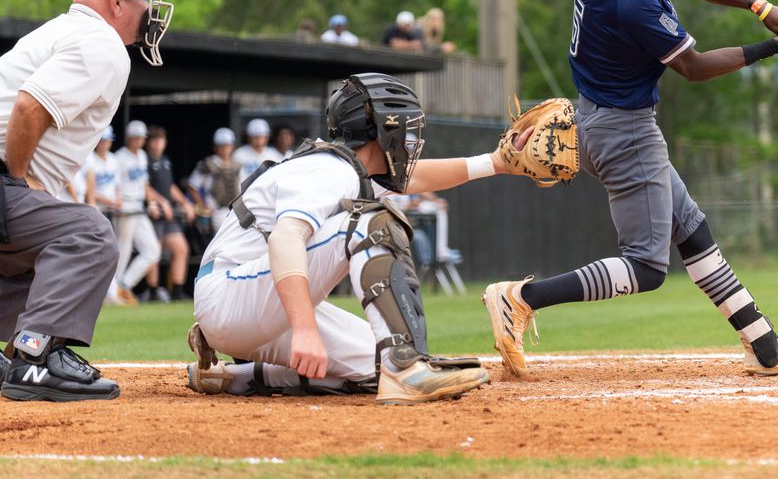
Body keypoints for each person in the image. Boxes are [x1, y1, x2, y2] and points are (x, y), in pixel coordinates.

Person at [482, 0, 778, 379]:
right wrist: (772, 47)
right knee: (647, 268)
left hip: (605, 119)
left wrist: (758, 4)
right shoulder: (632, 1)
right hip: (626, 132)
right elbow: (692, 66)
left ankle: (763, 345)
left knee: (691, 232)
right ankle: (519, 298)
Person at [185, 73, 532, 403]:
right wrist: (304, 329)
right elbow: (284, 239)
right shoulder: (330, 170)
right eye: (406, 129)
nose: (410, 143)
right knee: (372, 222)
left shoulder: (344, 168)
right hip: (232, 296)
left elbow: (416, 178)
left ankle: (233, 376)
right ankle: (406, 366)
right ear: (383, 130)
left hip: (248, 304)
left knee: (375, 363)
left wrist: (497, 162)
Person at [0, 0, 175, 401]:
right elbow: (28, 105)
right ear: (116, 1)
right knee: (89, 235)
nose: (151, 9)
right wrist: (18, 178)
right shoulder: (102, 43)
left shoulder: (58, 32)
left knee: (43, 248)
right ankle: (37, 358)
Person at [83, 127, 133, 307]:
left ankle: (114, 290)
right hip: (97, 211)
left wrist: (117, 200)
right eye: (102, 140)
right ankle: (108, 293)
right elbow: (90, 190)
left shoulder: (113, 160)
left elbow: (117, 185)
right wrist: (110, 201)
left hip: (112, 212)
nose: (105, 143)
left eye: (108, 140)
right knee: (101, 252)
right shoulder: (90, 159)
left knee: (114, 251)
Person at [115, 120, 164, 303]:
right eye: (134, 138)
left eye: (140, 138)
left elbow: (144, 184)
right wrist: (117, 202)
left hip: (138, 206)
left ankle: (123, 286)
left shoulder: (142, 156)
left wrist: (151, 202)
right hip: (125, 206)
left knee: (152, 250)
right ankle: (112, 291)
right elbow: (116, 185)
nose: (138, 141)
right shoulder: (119, 157)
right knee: (123, 249)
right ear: (128, 138)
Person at [145, 125, 194, 302]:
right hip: (153, 213)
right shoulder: (143, 160)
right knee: (153, 251)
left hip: (169, 213)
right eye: (154, 139)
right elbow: (144, 187)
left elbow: (170, 186)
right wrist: (161, 202)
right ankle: (152, 291)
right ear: (148, 142)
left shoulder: (165, 160)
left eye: (161, 139)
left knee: (181, 248)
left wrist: (185, 202)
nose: (158, 143)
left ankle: (177, 291)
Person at [186, 127, 241, 234]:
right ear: (216, 147)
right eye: (222, 146)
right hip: (216, 211)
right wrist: (202, 205)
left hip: (237, 210)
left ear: (232, 146)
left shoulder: (237, 164)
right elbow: (192, 186)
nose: (225, 148)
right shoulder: (207, 164)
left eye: (228, 145)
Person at [232, 118, 281, 183]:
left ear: (267, 137)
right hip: (246, 191)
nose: (258, 139)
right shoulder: (239, 154)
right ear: (248, 138)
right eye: (255, 136)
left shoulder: (274, 154)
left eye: (261, 136)